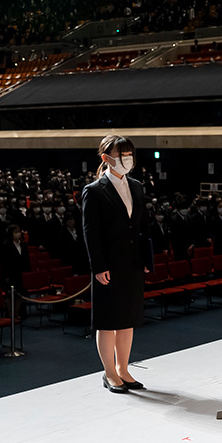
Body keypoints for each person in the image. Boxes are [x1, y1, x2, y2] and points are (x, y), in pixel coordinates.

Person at [81, 135, 150, 394]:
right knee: (108, 320)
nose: (126, 159)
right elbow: (91, 232)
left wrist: (145, 259)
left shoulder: (137, 186)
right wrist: (98, 266)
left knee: (128, 318)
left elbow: (143, 226)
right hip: (108, 264)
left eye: (129, 154)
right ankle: (109, 372)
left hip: (132, 262)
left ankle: (123, 368)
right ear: (105, 158)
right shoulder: (95, 190)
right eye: (121, 154)